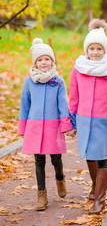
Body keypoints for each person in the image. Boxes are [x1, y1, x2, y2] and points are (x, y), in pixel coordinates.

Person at [68, 19, 107, 214]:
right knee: (89, 156)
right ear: (86, 49)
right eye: (91, 48)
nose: (95, 52)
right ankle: (95, 186)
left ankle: (100, 199)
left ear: (105, 50)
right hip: (84, 121)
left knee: (103, 158)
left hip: (104, 122)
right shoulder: (77, 69)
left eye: (99, 49)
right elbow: (73, 98)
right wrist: (72, 123)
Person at [18, 38, 74, 211]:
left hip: (53, 127)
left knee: (56, 159)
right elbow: (25, 105)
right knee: (39, 161)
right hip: (34, 127)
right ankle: (42, 197)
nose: (44, 63)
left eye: (47, 59)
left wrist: (67, 126)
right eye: (40, 60)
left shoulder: (58, 81)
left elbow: (63, 105)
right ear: (35, 62)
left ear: (52, 61)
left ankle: (60, 178)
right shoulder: (29, 82)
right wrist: (23, 128)